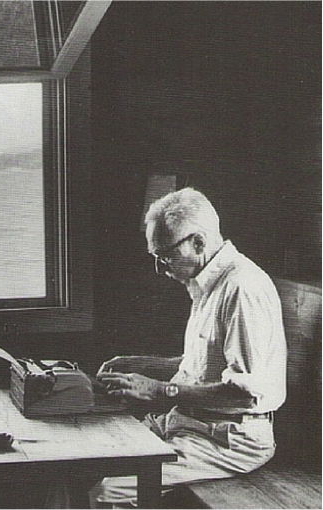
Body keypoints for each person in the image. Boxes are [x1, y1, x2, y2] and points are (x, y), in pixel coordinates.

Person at [88, 187, 287, 509]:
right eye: (156, 257)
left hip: (228, 439)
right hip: (189, 421)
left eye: (165, 256)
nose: (161, 268)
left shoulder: (242, 289)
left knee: (108, 491)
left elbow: (246, 394)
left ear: (198, 241)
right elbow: (204, 366)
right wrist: (138, 364)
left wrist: (159, 390)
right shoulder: (207, 283)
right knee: (82, 462)